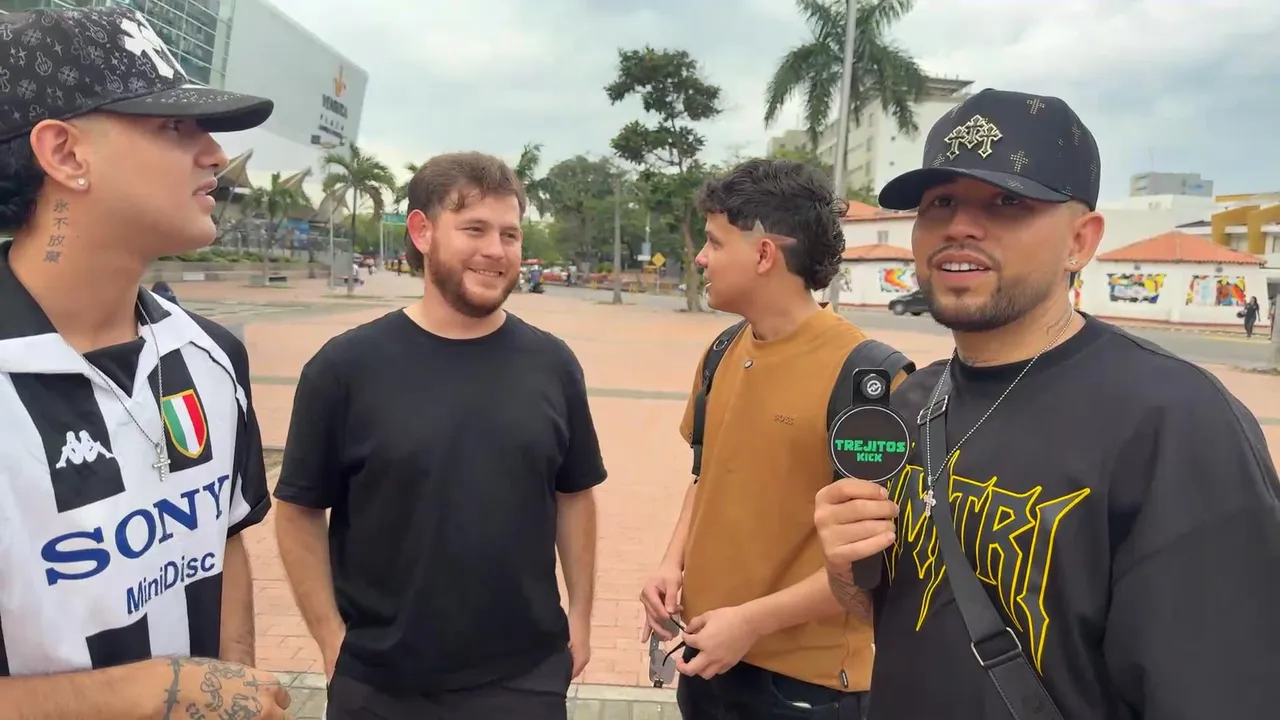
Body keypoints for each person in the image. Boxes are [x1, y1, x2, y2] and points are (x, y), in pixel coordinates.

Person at [813, 89, 1280, 719]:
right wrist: (845, 566)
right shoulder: (910, 407)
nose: (960, 227)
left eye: (1007, 202)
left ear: (1079, 241)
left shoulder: (1176, 423)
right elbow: (889, 617)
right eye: (940, 202)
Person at [0, 6, 290, 719]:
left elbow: (225, 540)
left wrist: (231, 684)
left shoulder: (212, 357)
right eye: (175, 126)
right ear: (65, 154)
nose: (215, 154)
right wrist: (146, 692)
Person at [273, 152, 607, 720]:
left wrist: (580, 614)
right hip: (380, 685)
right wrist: (331, 640)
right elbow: (298, 510)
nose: (496, 250)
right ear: (422, 231)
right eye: (474, 229)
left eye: (509, 234)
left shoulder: (553, 365)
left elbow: (574, 495)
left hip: (524, 675)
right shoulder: (345, 368)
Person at [639, 158, 912, 718]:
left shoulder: (868, 380)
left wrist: (750, 623)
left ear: (764, 254)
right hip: (707, 654)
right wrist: (671, 563)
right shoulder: (721, 352)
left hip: (805, 688)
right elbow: (706, 476)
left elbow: (876, 562)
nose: (700, 257)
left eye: (715, 242)